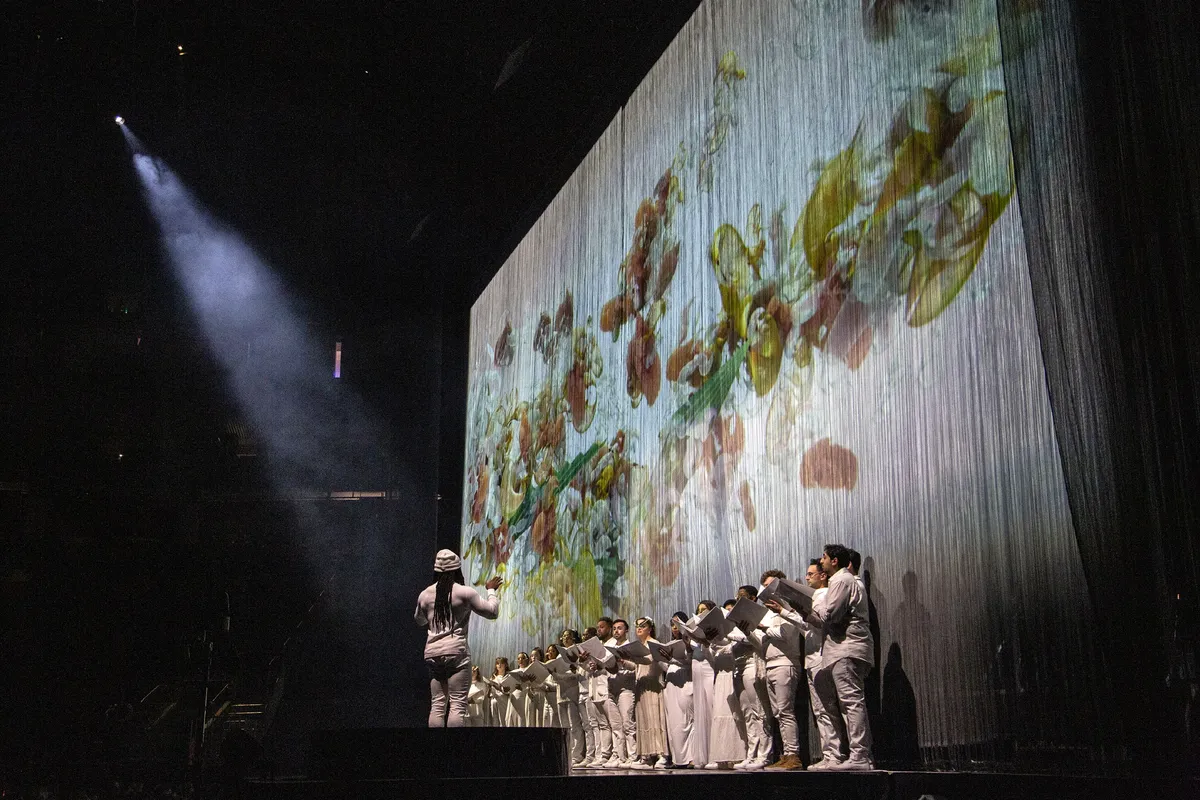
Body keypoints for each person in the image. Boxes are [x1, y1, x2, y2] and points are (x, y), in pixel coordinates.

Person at [805, 544, 875, 770]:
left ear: (834, 561)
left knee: (852, 702)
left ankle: (860, 756)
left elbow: (831, 615)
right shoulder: (844, 581)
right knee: (849, 704)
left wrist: (817, 607)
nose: (822, 562)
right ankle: (858, 755)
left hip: (847, 647)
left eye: (824, 558)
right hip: (843, 648)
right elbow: (827, 619)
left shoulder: (841, 580)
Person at [413, 549, 501, 727]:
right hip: (456, 652)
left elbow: (419, 620)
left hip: (432, 653)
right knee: (458, 706)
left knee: (437, 706)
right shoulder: (464, 593)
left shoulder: (425, 595)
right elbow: (492, 612)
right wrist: (491, 591)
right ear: (457, 570)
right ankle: (454, 750)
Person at [759, 569, 804, 770]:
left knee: (786, 711)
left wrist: (764, 629)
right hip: (770, 663)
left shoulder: (788, 608)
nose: (767, 590)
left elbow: (787, 634)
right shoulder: (768, 613)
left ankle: (793, 754)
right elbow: (761, 642)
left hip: (786, 662)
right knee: (778, 712)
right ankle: (785, 754)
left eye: (770, 586)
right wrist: (749, 630)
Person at [729, 585, 772, 770]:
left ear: (753, 598)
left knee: (759, 711)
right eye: (737, 597)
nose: (739, 600)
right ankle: (752, 754)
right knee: (747, 714)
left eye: (743, 597)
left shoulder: (759, 614)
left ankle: (765, 755)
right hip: (738, 666)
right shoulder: (736, 617)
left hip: (752, 663)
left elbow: (756, 639)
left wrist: (734, 635)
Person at [705, 603, 747, 769]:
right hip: (721, 676)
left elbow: (733, 650)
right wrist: (711, 641)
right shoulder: (719, 638)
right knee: (720, 715)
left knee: (735, 715)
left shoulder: (736, 633)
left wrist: (722, 643)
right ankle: (722, 756)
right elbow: (712, 658)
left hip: (733, 672)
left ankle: (738, 756)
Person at [630, 617, 669, 768]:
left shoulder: (655, 644)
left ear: (650, 628)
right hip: (641, 685)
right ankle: (646, 756)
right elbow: (635, 666)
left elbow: (653, 661)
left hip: (653, 685)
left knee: (655, 719)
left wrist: (636, 658)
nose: (639, 628)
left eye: (642, 625)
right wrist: (624, 659)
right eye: (637, 626)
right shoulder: (639, 645)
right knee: (643, 720)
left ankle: (661, 754)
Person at [661, 612, 694, 768]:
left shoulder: (692, 641)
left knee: (687, 720)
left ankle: (691, 758)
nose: (675, 628)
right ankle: (678, 759)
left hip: (686, 680)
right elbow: (667, 666)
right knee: (673, 722)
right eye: (672, 625)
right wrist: (661, 658)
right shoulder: (670, 643)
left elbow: (691, 661)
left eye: (677, 624)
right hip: (671, 681)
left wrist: (685, 648)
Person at [584, 618, 616, 766]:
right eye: (598, 627)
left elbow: (612, 666)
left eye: (602, 627)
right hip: (595, 687)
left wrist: (599, 665)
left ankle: (615, 754)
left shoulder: (613, 645)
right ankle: (603, 755)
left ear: (609, 628)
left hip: (607, 686)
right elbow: (590, 667)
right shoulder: (599, 645)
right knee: (601, 724)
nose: (599, 630)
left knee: (613, 724)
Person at [607, 619, 639, 765]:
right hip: (612, 687)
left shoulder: (631, 647)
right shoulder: (609, 646)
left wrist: (622, 661)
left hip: (626, 688)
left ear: (626, 630)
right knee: (616, 725)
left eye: (619, 628)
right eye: (614, 628)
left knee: (627, 723)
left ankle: (633, 756)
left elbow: (636, 668)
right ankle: (620, 756)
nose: (616, 631)